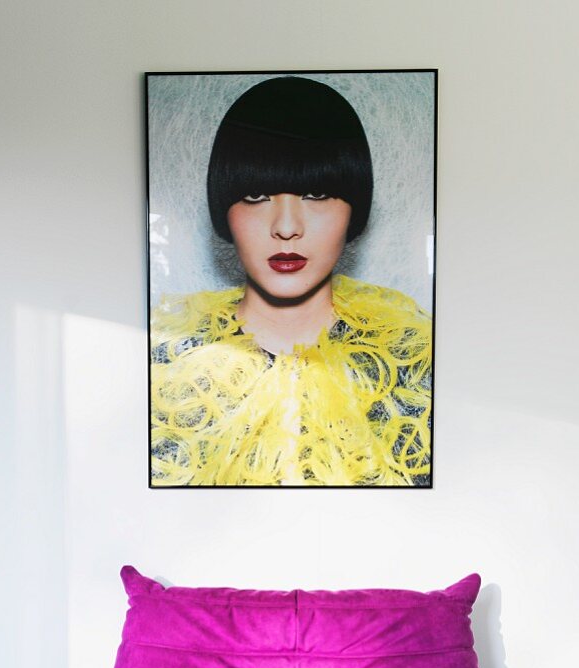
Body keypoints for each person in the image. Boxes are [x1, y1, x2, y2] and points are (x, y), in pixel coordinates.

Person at [150, 76, 432, 487]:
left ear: (355, 208)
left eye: (316, 194)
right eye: (257, 195)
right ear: (222, 208)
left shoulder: (414, 362)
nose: (285, 227)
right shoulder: (165, 364)